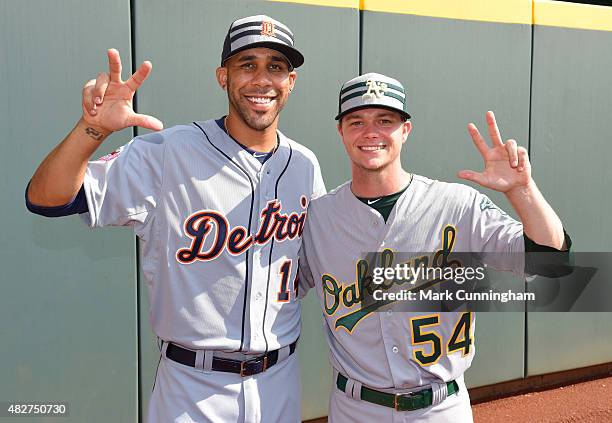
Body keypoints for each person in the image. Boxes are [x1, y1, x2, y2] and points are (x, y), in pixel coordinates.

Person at [26, 15, 325, 423]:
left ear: (291, 82)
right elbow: (47, 198)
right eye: (247, 64)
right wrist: (90, 130)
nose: (261, 78)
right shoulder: (168, 152)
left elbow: (321, 265)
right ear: (223, 76)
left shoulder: (305, 165)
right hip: (192, 387)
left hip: (280, 380)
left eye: (276, 66)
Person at [298, 73, 570, 422]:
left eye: (385, 121)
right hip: (355, 409)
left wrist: (522, 190)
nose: (371, 132)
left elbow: (552, 264)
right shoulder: (318, 217)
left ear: (405, 129)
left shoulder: (457, 205)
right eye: (356, 121)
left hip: (441, 408)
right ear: (341, 131)